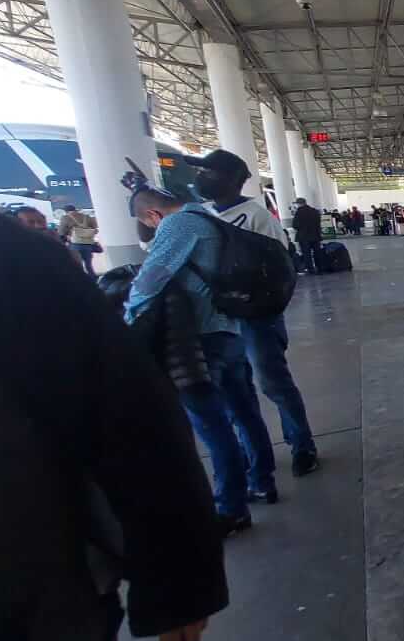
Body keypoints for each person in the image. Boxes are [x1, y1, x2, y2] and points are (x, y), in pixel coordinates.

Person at [0, 199, 229, 641]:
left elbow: (129, 414)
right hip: (18, 623)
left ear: (151, 214)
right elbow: (132, 412)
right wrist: (179, 579)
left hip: (13, 632)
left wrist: (178, 578)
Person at [124, 182, 279, 535]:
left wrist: (126, 317)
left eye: (149, 225)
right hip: (230, 330)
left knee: (213, 426)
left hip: (197, 340)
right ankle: (261, 481)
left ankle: (230, 507)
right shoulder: (210, 218)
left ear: (153, 214)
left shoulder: (177, 225)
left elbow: (151, 280)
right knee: (244, 412)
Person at [188, 149, 321, 478]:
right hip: (217, 321)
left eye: (209, 172)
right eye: (201, 172)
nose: (201, 178)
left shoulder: (256, 217)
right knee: (236, 393)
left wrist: (263, 308)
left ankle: (301, 443)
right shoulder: (199, 215)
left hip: (255, 319)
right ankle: (254, 454)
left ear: (234, 179)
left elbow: (280, 269)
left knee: (272, 382)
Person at [56, 205, 100, 278]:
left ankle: (82, 281)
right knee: (88, 264)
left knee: (78, 264)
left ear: (65, 211)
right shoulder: (86, 217)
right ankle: (94, 280)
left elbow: (61, 232)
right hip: (88, 243)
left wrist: (66, 237)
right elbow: (94, 227)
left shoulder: (65, 218)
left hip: (75, 244)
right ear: (75, 209)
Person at [292, 196, 324, 273]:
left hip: (304, 237)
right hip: (315, 235)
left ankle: (311, 269)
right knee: (317, 252)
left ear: (299, 204)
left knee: (306, 254)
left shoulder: (298, 212)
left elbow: (295, 225)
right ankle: (320, 268)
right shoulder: (314, 211)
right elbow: (318, 223)